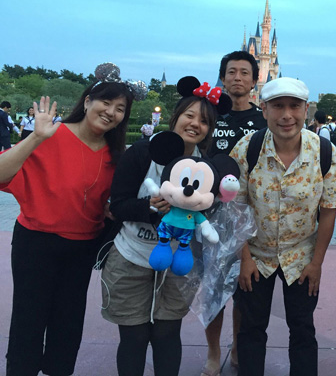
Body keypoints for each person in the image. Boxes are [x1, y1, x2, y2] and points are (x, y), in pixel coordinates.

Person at [0, 73, 136, 376]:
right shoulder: (50, 134)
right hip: (36, 242)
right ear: (87, 102)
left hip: (82, 247)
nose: (111, 112)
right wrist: (35, 137)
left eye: (120, 108)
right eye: (106, 102)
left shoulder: (117, 156)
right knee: (28, 319)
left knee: (68, 322)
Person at [100, 76, 230, 376]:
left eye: (204, 121)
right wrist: (149, 207)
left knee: (167, 333)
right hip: (131, 256)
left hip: (177, 263)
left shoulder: (206, 168)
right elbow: (117, 205)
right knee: (134, 336)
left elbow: (206, 216)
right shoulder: (142, 152)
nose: (195, 124)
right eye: (189, 115)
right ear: (176, 116)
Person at [229, 77, 336, 376]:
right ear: (264, 109)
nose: (286, 115)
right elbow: (236, 207)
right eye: (278, 106)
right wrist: (244, 259)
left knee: (303, 328)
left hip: (302, 254)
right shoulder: (247, 148)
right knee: (251, 327)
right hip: (256, 253)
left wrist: (317, 263)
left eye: (294, 106)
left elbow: (328, 211)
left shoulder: (324, 152)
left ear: (306, 110)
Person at [203, 50, 267, 376]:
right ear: (223, 77)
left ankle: (238, 346)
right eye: (231, 72)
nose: (237, 77)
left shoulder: (263, 121)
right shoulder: (209, 115)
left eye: (244, 72)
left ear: (255, 80)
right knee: (214, 289)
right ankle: (213, 352)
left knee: (245, 288)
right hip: (211, 215)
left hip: (249, 215)